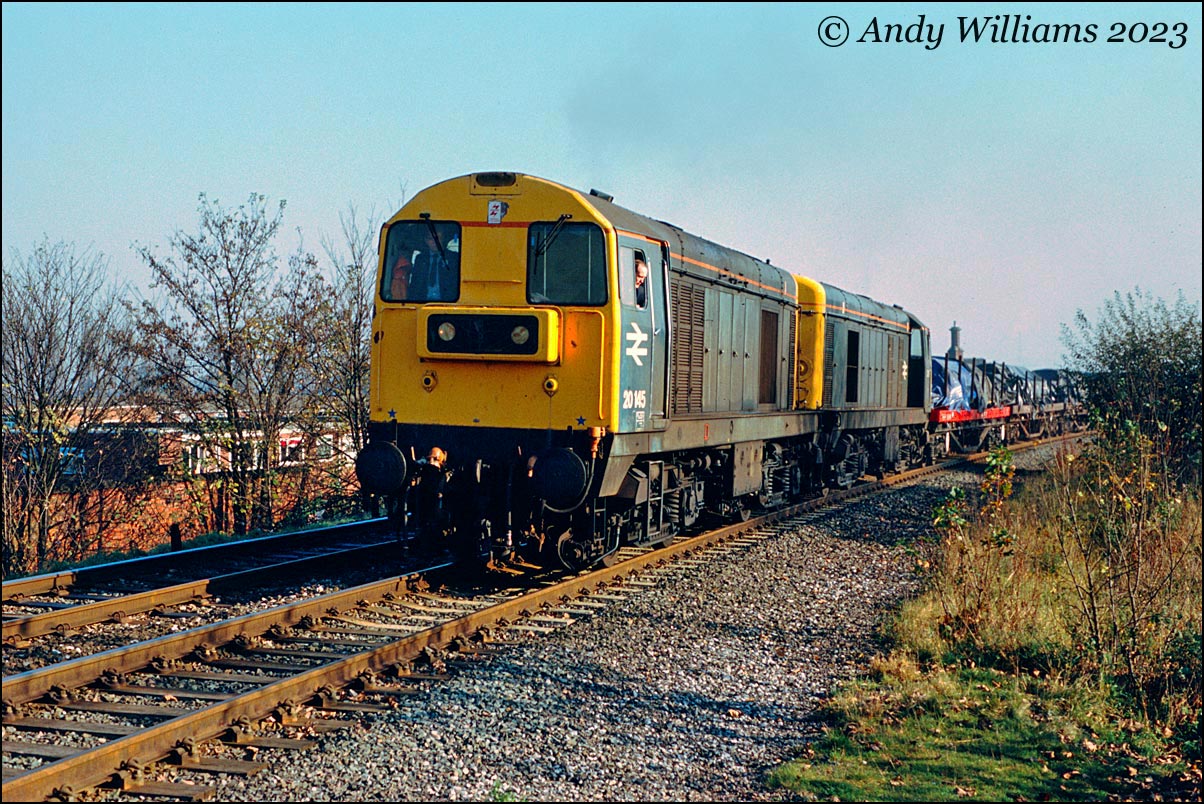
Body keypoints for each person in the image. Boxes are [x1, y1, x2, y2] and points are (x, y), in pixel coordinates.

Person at [390, 230, 459, 302]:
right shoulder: (420, 259)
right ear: (426, 241)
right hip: (423, 303)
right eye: (430, 239)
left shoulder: (453, 258)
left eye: (438, 238)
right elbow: (415, 283)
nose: (435, 242)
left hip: (448, 303)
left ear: (443, 239)